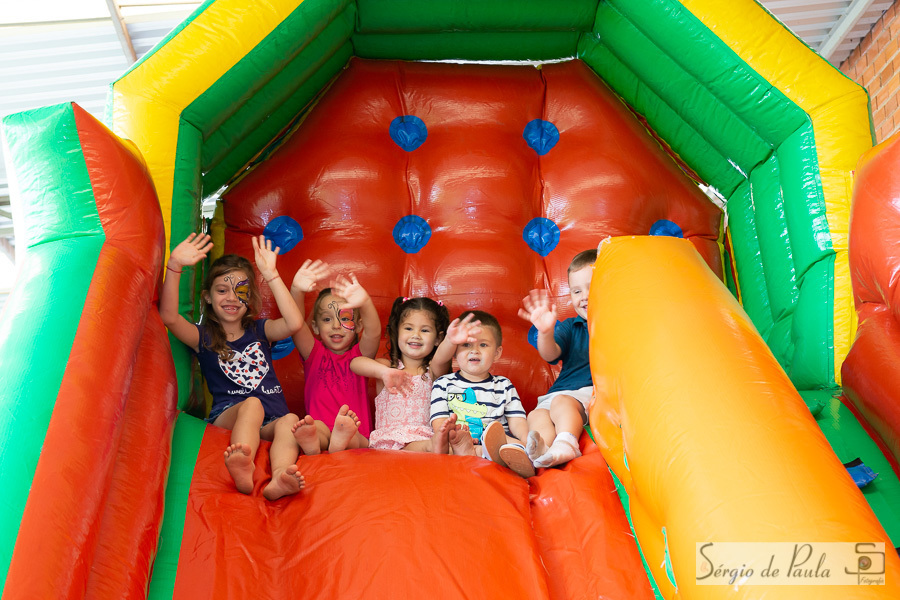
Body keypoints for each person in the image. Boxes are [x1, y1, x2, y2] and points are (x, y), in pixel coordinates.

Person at [160, 232, 306, 501]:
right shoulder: (203, 337)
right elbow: (169, 317)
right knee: (252, 404)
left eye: (241, 291)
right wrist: (175, 265)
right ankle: (243, 463)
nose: (231, 298)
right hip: (230, 416)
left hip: (271, 420)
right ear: (207, 297)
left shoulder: (260, 330)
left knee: (291, 420)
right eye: (222, 290)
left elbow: (294, 323)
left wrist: (271, 274)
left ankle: (280, 476)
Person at [349, 297, 482, 452]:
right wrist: (383, 372)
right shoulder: (387, 367)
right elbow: (355, 363)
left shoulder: (432, 371)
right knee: (361, 440)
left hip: (425, 440)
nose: (416, 335)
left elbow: (441, 358)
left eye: (425, 330)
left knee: (434, 445)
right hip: (388, 441)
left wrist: (450, 341)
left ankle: (470, 449)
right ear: (397, 332)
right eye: (408, 328)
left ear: (437, 338)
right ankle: (345, 434)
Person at [429, 310, 534, 478]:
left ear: (497, 353)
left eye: (483, 345)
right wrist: (450, 434)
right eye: (466, 345)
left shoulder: (504, 385)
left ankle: (514, 458)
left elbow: (517, 421)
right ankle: (475, 452)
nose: (475, 350)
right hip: (457, 441)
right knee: (441, 445)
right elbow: (440, 423)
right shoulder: (443, 383)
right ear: (454, 351)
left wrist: (526, 439)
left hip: (496, 442)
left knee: (515, 445)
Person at [518, 248, 597, 468]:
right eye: (576, 291)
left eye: (591, 287)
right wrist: (545, 331)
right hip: (558, 393)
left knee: (562, 404)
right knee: (536, 416)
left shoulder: (616, 325)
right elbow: (550, 353)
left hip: (588, 393)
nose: (584, 296)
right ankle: (543, 448)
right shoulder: (572, 326)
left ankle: (567, 443)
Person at [290, 260, 381, 451]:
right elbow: (296, 326)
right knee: (317, 428)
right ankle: (313, 444)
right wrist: (297, 291)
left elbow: (373, 333)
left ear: (358, 326)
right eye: (327, 319)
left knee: (349, 431)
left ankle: (336, 441)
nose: (336, 325)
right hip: (323, 429)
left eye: (345, 318)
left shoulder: (360, 357)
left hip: (356, 434)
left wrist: (365, 303)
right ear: (315, 327)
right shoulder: (314, 354)